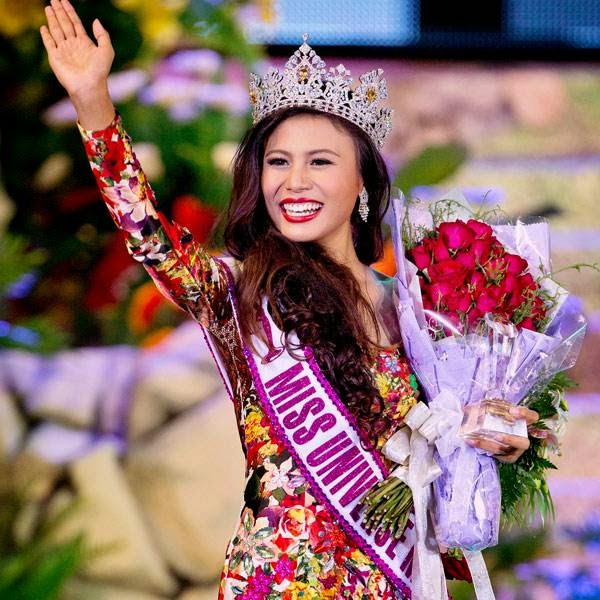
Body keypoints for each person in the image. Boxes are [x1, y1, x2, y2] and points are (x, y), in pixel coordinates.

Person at [40, 1, 538, 597]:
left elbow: (461, 438)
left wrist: (501, 435)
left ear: (361, 183)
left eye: (319, 162)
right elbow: (147, 234)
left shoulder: (418, 309)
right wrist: (93, 103)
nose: (293, 181)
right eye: (278, 162)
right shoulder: (241, 293)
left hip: (387, 577)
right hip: (273, 581)